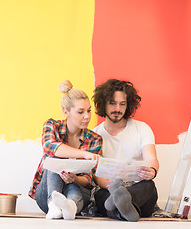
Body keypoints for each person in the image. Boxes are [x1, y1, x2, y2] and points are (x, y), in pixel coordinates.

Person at [28, 80, 102, 220]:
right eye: (80, 112)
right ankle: (54, 205)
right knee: (55, 160)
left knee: (74, 186)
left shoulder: (95, 139)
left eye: (88, 110)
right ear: (66, 112)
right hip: (47, 193)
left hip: (77, 192)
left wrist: (75, 178)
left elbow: (89, 178)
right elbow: (51, 147)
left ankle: (70, 207)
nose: (87, 116)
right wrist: (85, 154)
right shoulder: (51, 125)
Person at [92, 79, 159, 222]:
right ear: (103, 104)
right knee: (100, 196)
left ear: (128, 105)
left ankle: (121, 203)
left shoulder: (142, 128)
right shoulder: (94, 135)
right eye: (112, 103)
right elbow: (95, 172)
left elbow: (152, 159)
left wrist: (152, 171)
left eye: (122, 104)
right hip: (109, 189)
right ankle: (124, 210)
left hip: (138, 189)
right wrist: (108, 185)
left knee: (149, 186)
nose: (118, 108)